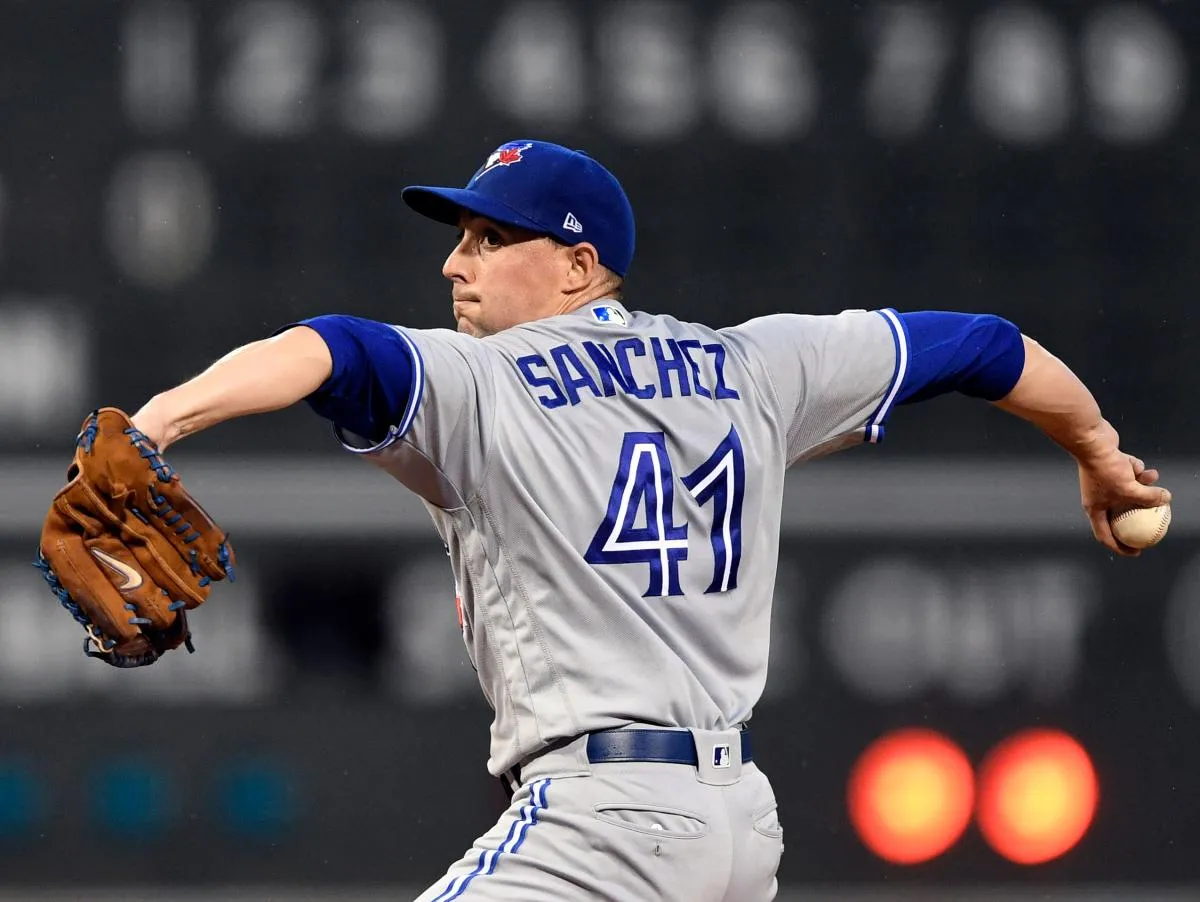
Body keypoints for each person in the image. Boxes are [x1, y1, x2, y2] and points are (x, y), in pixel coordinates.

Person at [128, 140, 1169, 901]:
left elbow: (331, 348)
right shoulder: (757, 365)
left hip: (601, 822)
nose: (457, 263)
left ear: (580, 267)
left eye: (491, 239)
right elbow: (982, 345)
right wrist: (1096, 449)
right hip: (738, 828)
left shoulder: (489, 381)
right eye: (460, 239)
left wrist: (156, 423)